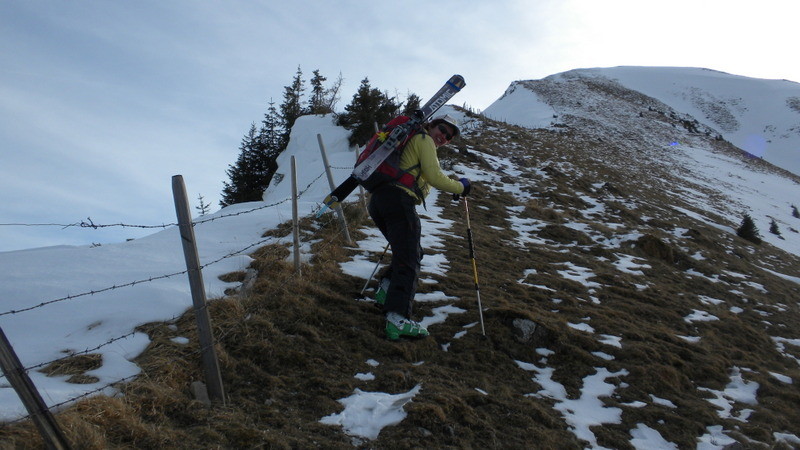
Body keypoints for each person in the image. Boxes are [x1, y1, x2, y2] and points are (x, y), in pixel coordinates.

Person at [368, 114, 471, 340]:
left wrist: (453, 187)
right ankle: (397, 318)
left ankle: (386, 290)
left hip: (379, 200)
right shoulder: (423, 139)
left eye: (449, 137)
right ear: (431, 124)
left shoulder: (415, 142)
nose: (443, 137)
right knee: (410, 258)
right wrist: (461, 187)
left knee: (410, 252)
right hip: (398, 200)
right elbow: (435, 177)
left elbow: (426, 178)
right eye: (442, 130)